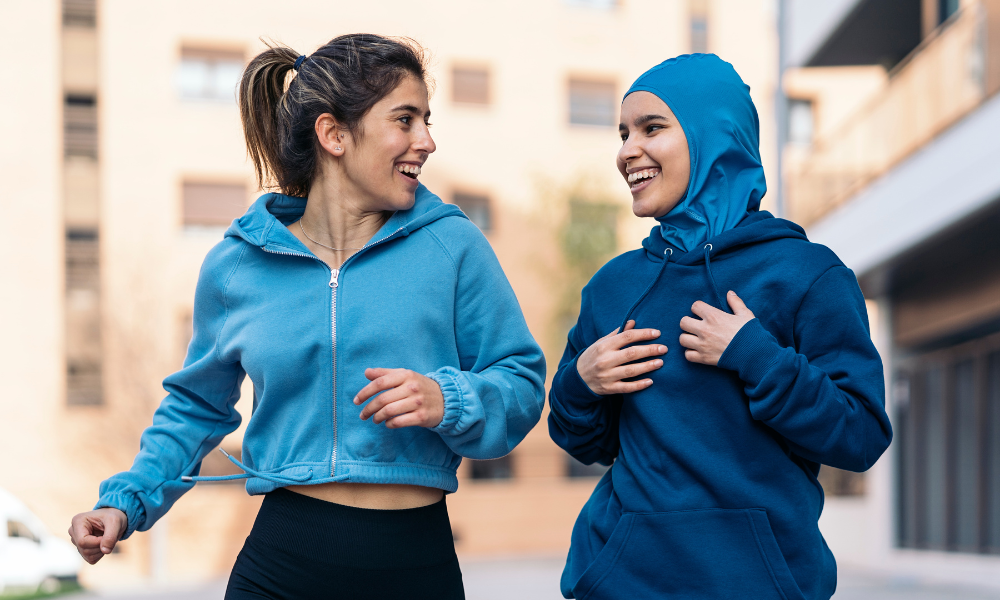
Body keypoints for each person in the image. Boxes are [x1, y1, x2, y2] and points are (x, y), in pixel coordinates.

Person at [67, 34, 546, 600]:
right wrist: (123, 502)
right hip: (283, 564)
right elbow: (196, 406)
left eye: (427, 120)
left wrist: (450, 399)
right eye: (406, 120)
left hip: (414, 563)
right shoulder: (237, 267)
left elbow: (521, 380)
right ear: (334, 134)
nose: (428, 141)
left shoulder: (452, 247)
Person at [547, 54, 892, 600]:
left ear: (717, 134)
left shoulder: (806, 274)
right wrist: (578, 384)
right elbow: (584, 440)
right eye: (622, 133)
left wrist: (758, 357)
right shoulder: (613, 287)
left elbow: (861, 435)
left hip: (759, 584)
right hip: (622, 581)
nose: (626, 151)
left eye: (652, 127)